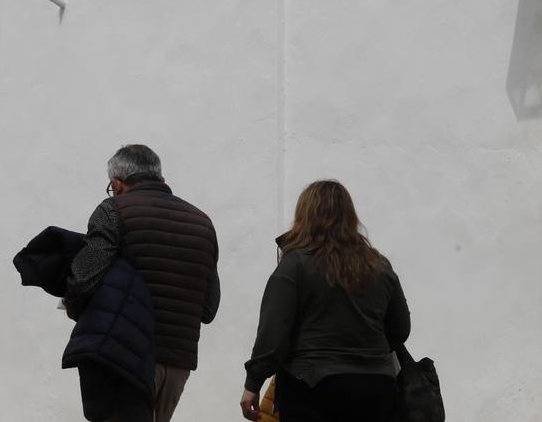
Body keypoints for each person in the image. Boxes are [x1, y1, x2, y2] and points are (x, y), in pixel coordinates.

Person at [67, 144, 220, 422]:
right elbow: (209, 309)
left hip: (124, 357)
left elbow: (83, 280)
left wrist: (74, 308)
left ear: (117, 184)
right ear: (160, 178)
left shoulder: (113, 211)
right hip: (177, 362)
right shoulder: (202, 223)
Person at [241, 180, 410, 422]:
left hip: (311, 387)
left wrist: (253, 383)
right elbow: (400, 329)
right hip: (376, 387)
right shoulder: (379, 265)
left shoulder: (295, 264)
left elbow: (273, 334)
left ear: (305, 215)